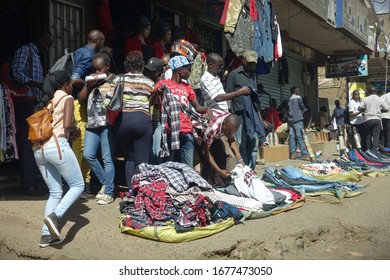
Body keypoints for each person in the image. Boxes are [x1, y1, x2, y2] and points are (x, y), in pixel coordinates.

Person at [33, 71, 83, 248]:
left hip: (39, 149)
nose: (72, 87)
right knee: (78, 185)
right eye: (70, 83)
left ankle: (46, 235)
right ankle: (56, 216)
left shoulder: (50, 101)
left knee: (55, 191)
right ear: (65, 85)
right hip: (57, 145)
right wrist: (76, 131)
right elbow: (68, 124)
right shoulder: (67, 98)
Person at [11, 31, 54, 196]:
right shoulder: (25, 51)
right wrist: (38, 84)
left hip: (35, 103)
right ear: (39, 39)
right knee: (28, 143)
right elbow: (17, 72)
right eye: (46, 44)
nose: (46, 49)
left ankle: (34, 181)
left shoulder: (36, 55)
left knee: (36, 142)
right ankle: (27, 184)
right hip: (26, 101)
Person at [152, 55, 211, 167]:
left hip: (187, 132)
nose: (190, 71)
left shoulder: (187, 87)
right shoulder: (163, 84)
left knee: (188, 167)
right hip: (170, 132)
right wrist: (156, 93)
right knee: (168, 166)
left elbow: (197, 107)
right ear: (180, 70)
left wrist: (207, 109)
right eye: (188, 69)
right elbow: (151, 102)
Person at [78, 51, 116, 205]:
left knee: (107, 158)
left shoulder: (115, 80)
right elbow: (81, 99)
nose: (96, 72)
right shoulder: (92, 81)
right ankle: (106, 183)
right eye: (94, 69)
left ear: (107, 66)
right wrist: (88, 85)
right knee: (88, 154)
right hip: (92, 123)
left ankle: (109, 192)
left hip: (107, 124)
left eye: (99, 69)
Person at [71, 29, 105, 198]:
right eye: (103, 42)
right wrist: (89, 81)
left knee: (81, 145)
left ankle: (81, 185)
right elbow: (74, 78)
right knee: (81, 145)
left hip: (79, 103)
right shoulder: (87, 54)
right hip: (80, 103)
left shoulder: (80, 51)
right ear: (98, 41)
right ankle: (77, 185)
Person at [113, 50, 154, 189]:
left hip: (124, 122)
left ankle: (131, 192)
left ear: (127, 65)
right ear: (142, 65)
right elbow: (154, 103)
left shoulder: (119, 80)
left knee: (129, 158)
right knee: (142, 161)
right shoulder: (149, 82)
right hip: (143, 122)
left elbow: (108, 102)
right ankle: (139, 194)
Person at [225, 50, 267, 170]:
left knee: (253, 144)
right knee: (240, 144)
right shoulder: (234, 74)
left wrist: (260, 119)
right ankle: (242, 170)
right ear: (243, 60)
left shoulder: (253, 76)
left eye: (253, 63)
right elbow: (228, 95)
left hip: (252, 116)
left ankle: (251, 171)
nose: (251, 65)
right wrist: (229, 114)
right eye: (249, 63)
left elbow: (255, 100)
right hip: (238, 116)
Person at [195, 110, 243, 187]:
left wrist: (240, 160)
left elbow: (231, 140)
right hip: (199, 130)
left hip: (214, 134)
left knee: (221, 155)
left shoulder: (230, 122)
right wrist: (219, 170)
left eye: (231, 132)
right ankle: (206, 185)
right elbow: (205, 152)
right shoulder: (212, 128)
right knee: (207, 162)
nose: (228, 134)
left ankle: (219, 184)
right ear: (223, 124)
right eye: (228, 131)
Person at [287, 86, 310, 160]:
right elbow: (302, 106)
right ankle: (304, 154)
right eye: (298, 90)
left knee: (292, 137)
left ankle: (292, 154)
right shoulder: (299, 98)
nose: (298, 91)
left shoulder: (289, 99)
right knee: (300, 137)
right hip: (298, 119)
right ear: (295, 91)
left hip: (291, 120)